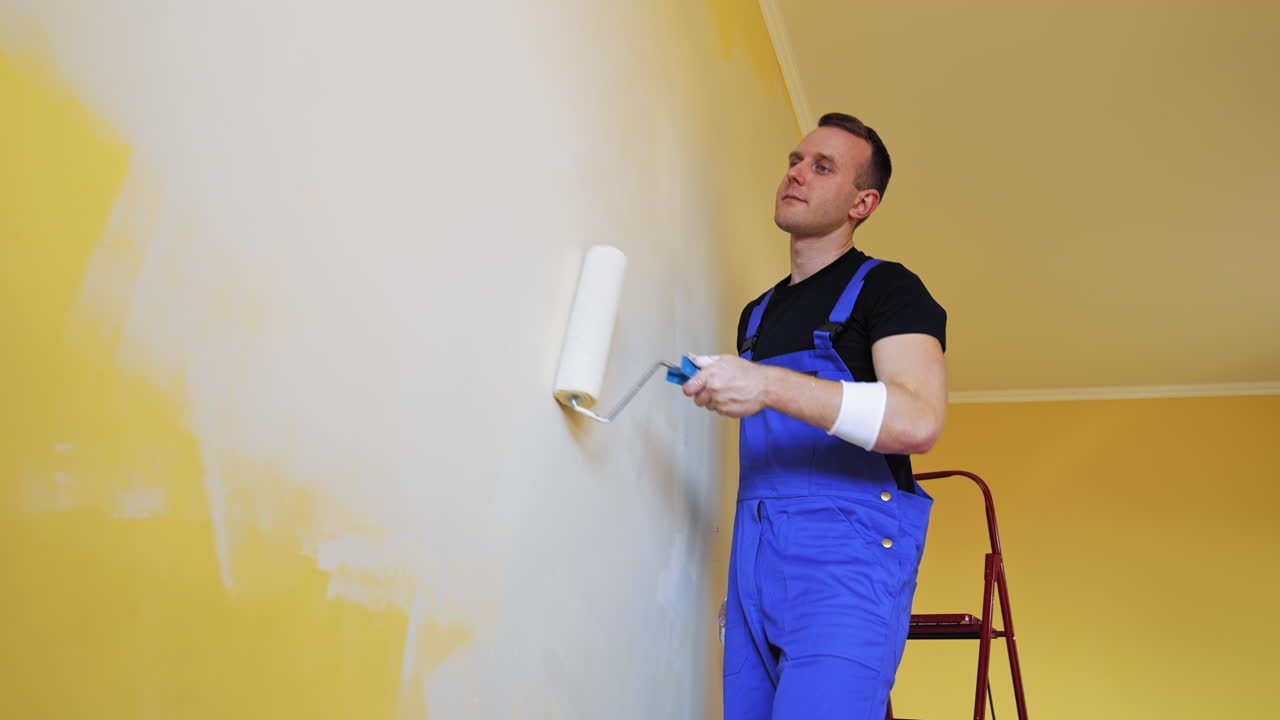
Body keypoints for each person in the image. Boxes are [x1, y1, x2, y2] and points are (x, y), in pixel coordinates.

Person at [682, 113, 948, 719]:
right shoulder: (758, 313)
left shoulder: (888, 289)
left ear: (864, 202)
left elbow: (919, 420)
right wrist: (756, 577)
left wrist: (767, 383)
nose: (796, 174)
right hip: (756, 560)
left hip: (845, 565)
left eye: (821, 167)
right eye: (795, 160)